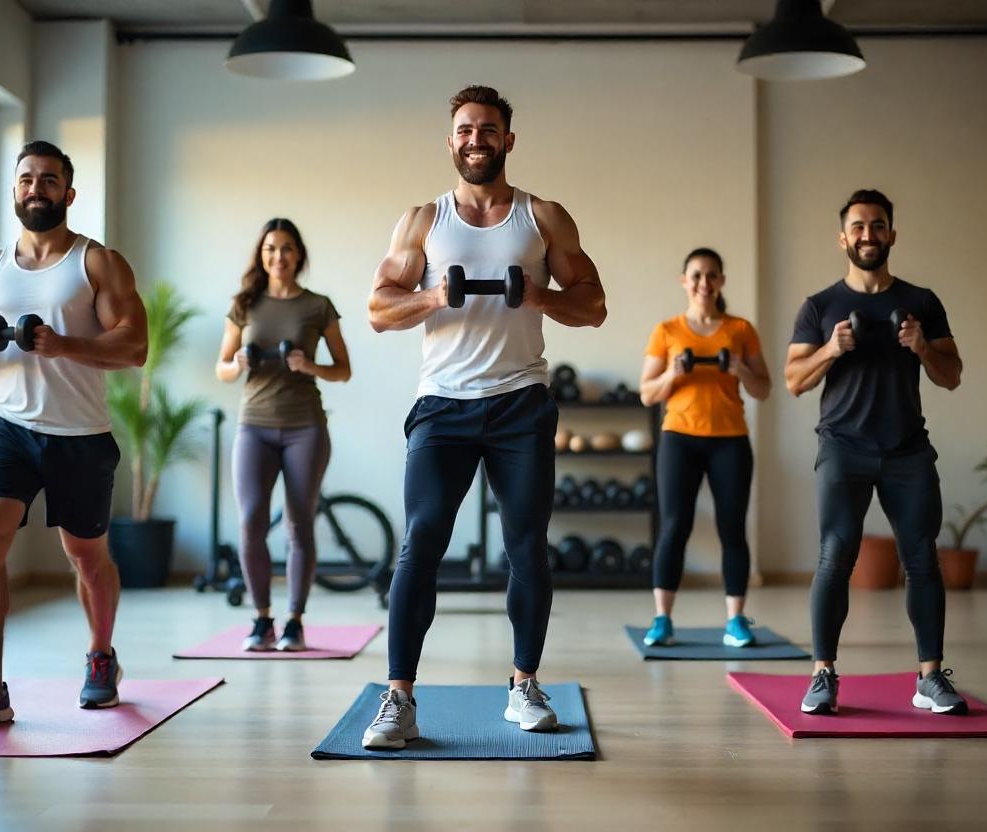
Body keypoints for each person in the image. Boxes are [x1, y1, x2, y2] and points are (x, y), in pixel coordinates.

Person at [362, 85, 607, 750]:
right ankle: (398, 698)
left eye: (488, 130)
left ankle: (523, 685)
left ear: (508, 139)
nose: (476, 140)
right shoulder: (422, 220)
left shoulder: (542, 217)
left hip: (521, 403)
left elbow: (593, 305)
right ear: (451, 142)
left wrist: (542, 297)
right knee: (422, 542)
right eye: (465, 130)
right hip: (443, 404)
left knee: (527, 546)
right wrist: (431, 296)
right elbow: (378, 309)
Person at [0, 141, 148, 730]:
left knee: (85, 555)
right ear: (15, 191)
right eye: (27, 178)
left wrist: (64, 344)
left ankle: (101, 655)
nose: (37, 188)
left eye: (49, 180)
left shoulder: (97, 263)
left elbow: (134, 345)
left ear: (68, 194)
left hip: (80, 433)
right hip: (8, 427)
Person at [785, 189, 967, 716]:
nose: (869, 235)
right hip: (843, 448)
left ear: (892, 234)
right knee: (835, 554)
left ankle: (929, 678)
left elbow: (952, 376)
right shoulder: (820, 306)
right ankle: (823, 675)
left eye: (878, 225)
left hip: (908, 449)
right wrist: (831, 348)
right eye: (859, 227)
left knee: (922, 559)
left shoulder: (922, 302)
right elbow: (795, 379)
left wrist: (922, 347)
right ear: (843, 237)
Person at [214, 218, 351, 652]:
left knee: (298, 522)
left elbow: (343, 370)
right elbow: (221, 368)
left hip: (304, 426)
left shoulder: (318, 306)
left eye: (287, 248)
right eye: (271, 248)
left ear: (299, 255)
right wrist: (238, 364)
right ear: (262, 254)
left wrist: (309, 366)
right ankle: (261, 620)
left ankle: (294, 620)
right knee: (251, 521)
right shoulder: (244, 305)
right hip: (254, 424)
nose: (279, 256)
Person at [638, 248, 771, 648]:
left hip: (729, 440)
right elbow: (646, 393)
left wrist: (741, 369)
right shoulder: (667, 330)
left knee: (732, 528)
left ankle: (735, 622)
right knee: (675, 526)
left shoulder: (741, 329)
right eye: (696, 275)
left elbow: (763, 388)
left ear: (721, 281)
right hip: (680, 438)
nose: (703, 283)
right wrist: (673, 375)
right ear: (684, 281)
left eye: (711, 275)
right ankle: (662, 620)